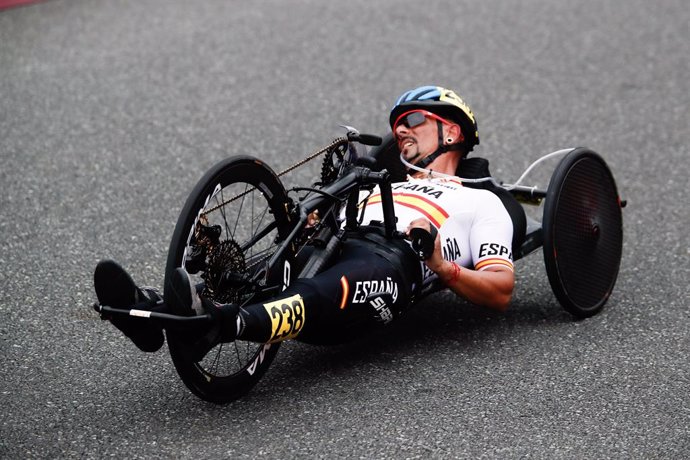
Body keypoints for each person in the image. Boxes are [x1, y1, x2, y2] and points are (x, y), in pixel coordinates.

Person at [94, 85, 515, 355]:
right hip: (339, 240)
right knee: (266, 268)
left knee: (322, 287)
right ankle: (149, 314)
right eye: (397, 125)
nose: (402, 131)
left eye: (416, 120)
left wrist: (442, 267)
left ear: (453, 133)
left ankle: (225, 325)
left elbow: (500, 290)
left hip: (392, 264)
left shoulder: (482, 202)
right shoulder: (378, 184)